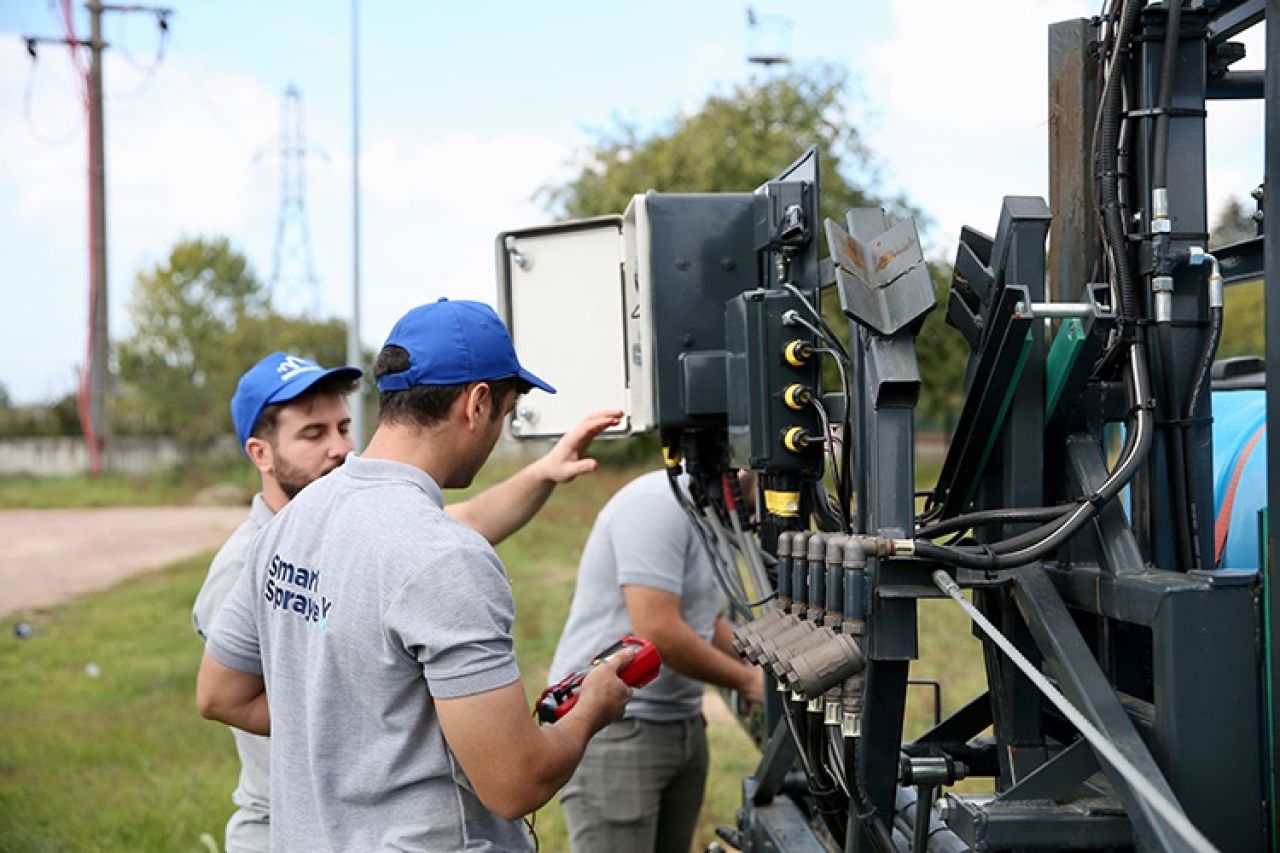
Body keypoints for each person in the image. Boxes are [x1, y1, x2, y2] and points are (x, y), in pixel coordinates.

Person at [196, 299, 635, 852]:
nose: (497, 431)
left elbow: (222, 693)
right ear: (477, 403)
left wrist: (358, 728)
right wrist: (592, 709)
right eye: (503, 414)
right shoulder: (445, 558)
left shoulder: (291, 522)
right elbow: (515, 782)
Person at [548, 468, 765, 853]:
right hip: (618, 730)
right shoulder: (658, 506)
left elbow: (704, 618)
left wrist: (764, 661)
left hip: (681, 725)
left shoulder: (713, 513)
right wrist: (747, 681)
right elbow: (660, 631)